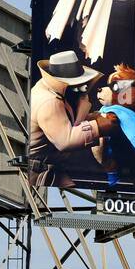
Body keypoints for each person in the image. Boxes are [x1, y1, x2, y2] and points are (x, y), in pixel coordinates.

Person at [28, 50, 116, 188]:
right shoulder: (50, 101)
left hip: (51, 167)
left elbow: (66, 121)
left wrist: (93, 117)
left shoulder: (52, 91)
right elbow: (66, 141)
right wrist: (100, 125)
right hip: (38, 172)